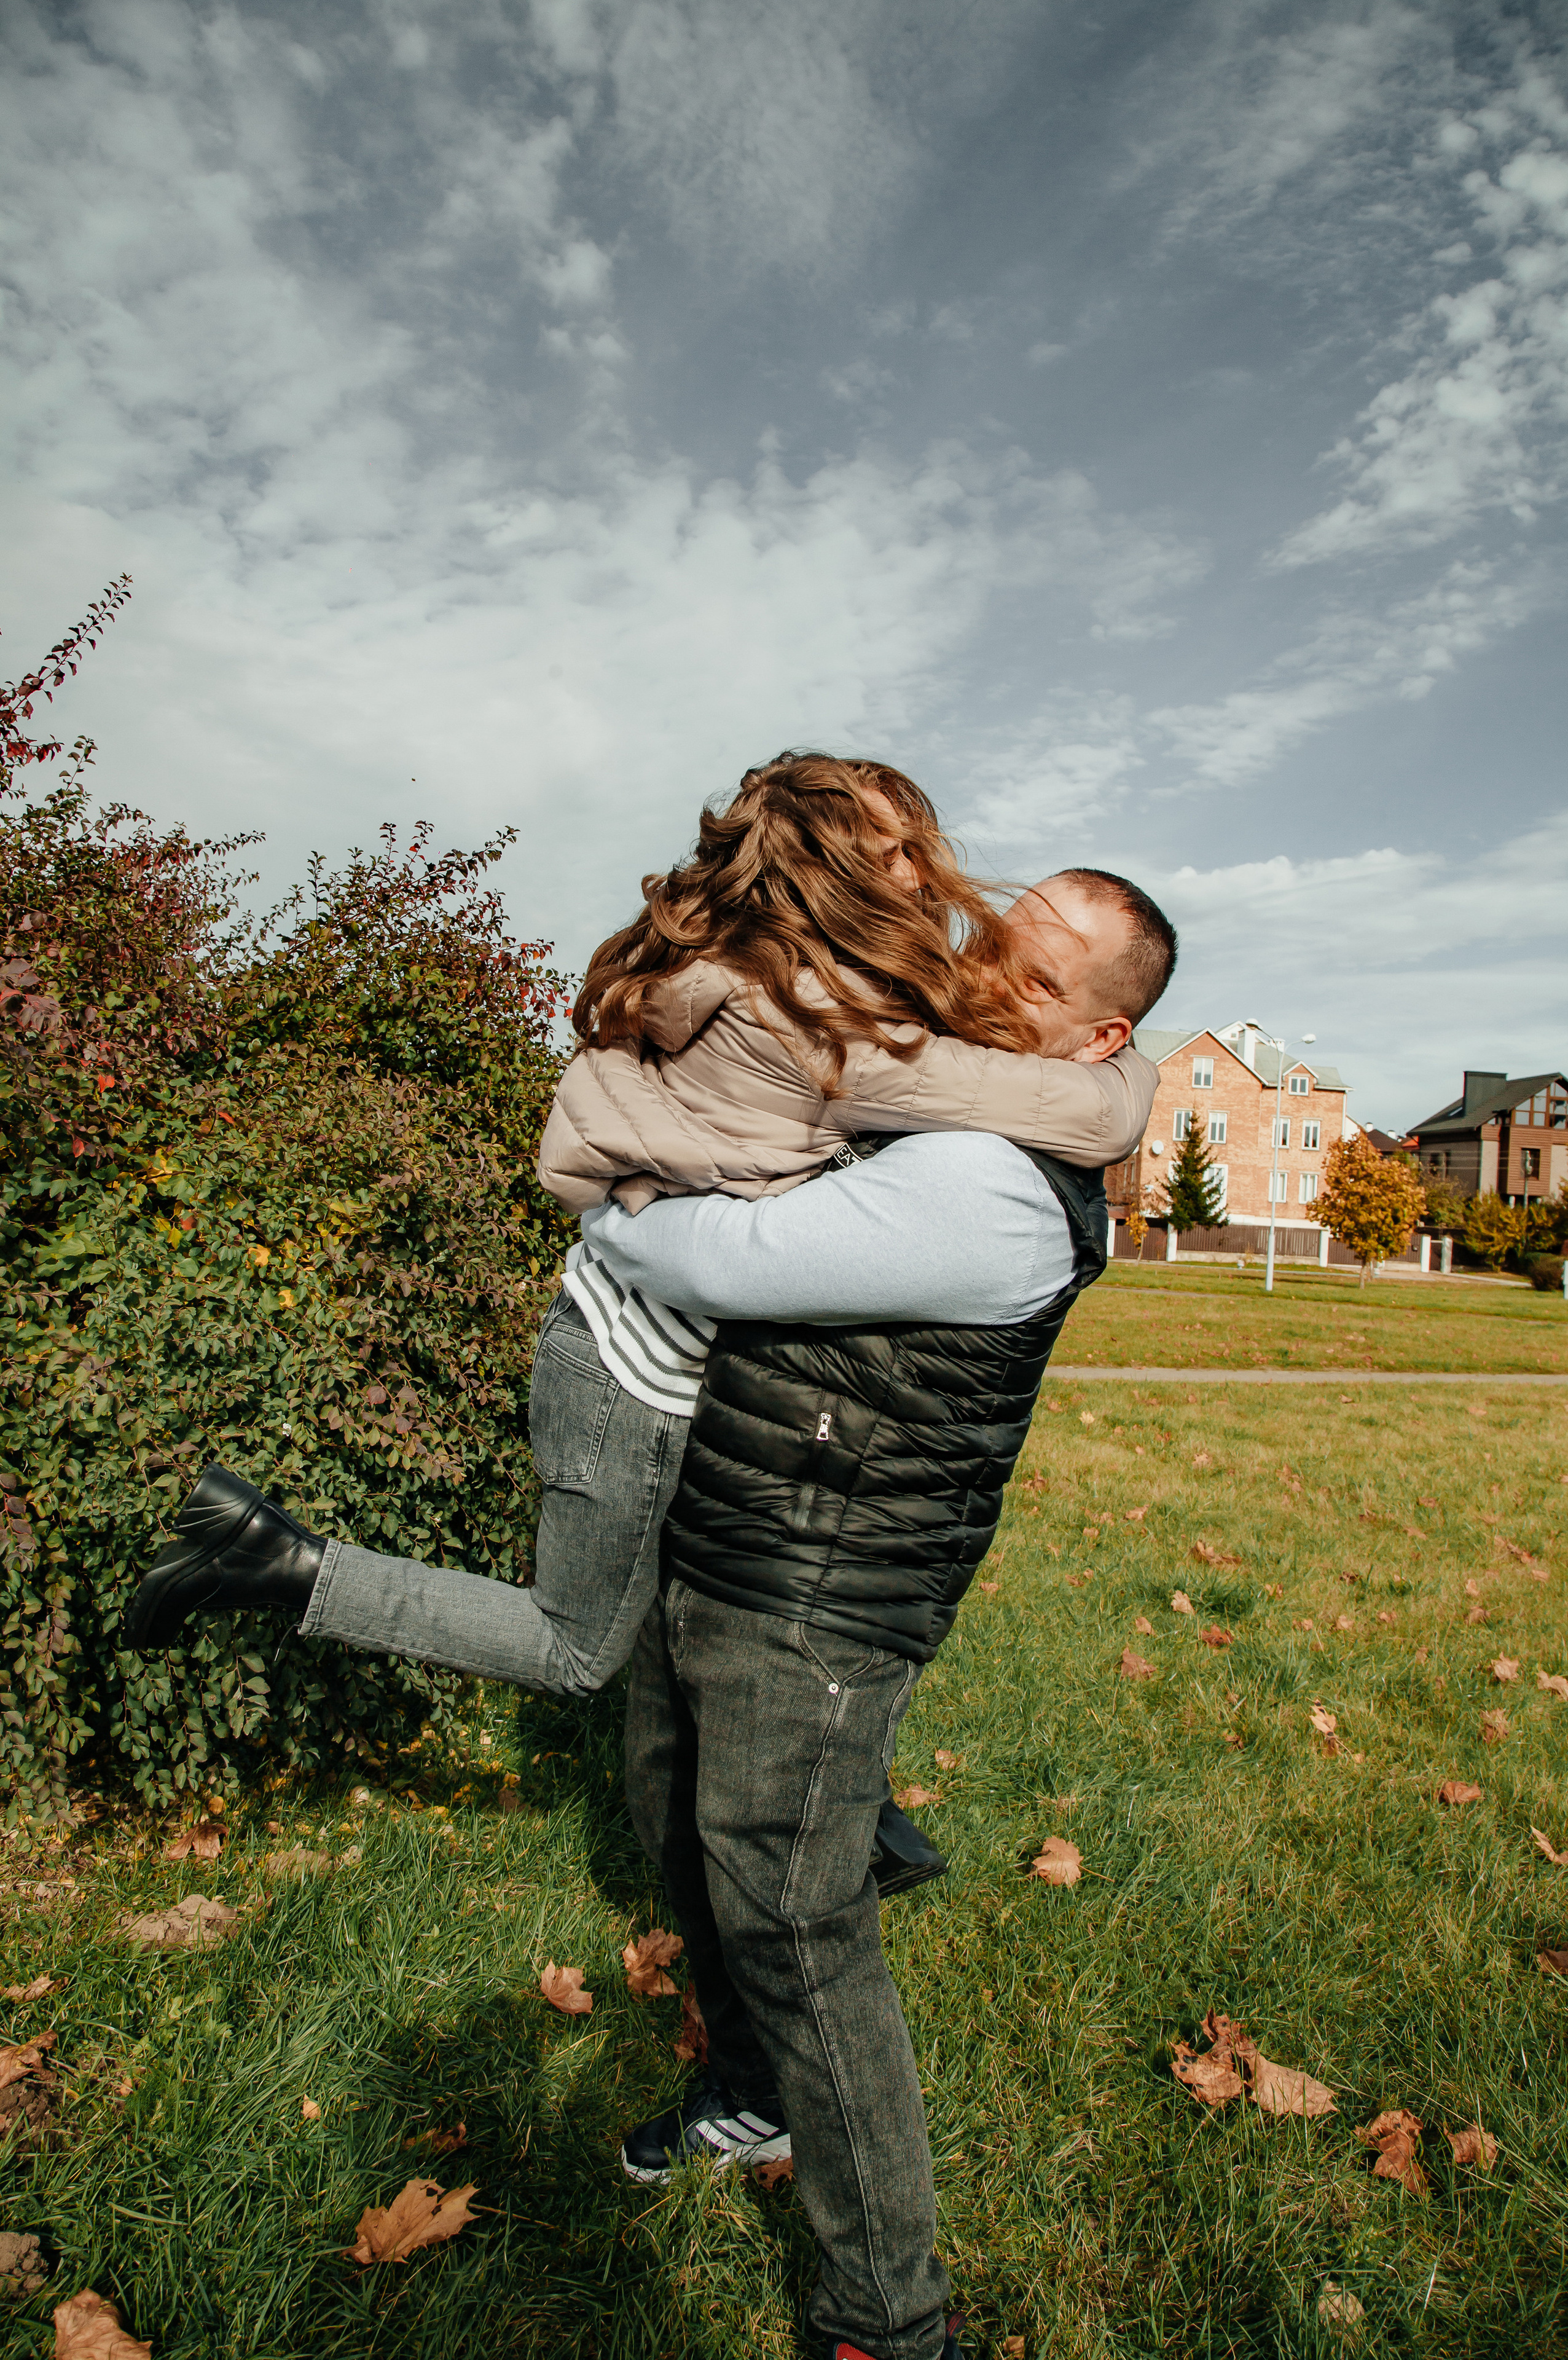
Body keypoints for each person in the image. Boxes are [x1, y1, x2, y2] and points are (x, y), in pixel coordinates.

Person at [122, 755, 1154, 1898]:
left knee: (717, 1627)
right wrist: (1130, 1087)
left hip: (639, 1354)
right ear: (820, 869)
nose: (925, 880)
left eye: (918, 842)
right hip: (630, 1372)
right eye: (891, 849)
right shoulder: (815, 1023)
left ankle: (826, 1816)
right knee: (578, 1647)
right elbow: (1048, 1102)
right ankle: (270, 1560)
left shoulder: (790, 972)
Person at [587, 867, 1177, 2360]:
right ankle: (747, 2090)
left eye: (1039, 982)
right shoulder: (970, 1102)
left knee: (797, 1927)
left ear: (1097, 1043)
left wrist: (616, 1199)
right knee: (676, 1828)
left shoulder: (986, 1180)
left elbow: (720, 1260)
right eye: (997, 939)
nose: (990, 975)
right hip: (723, 1541)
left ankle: (886, 2321)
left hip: (817, 1603)